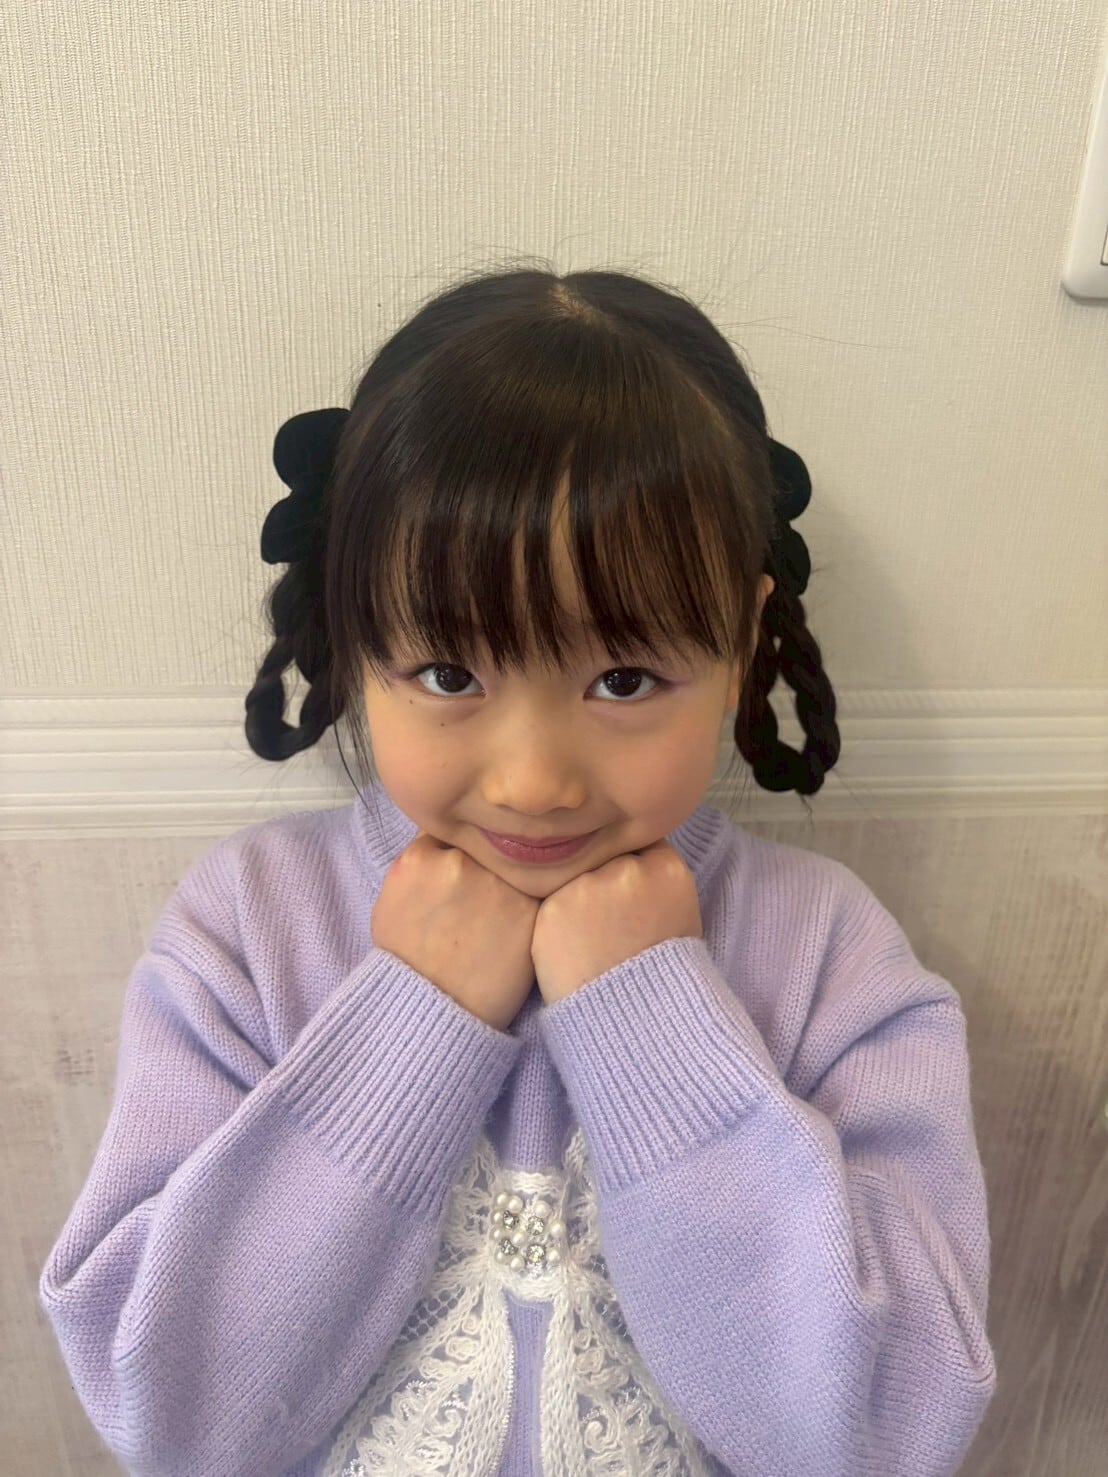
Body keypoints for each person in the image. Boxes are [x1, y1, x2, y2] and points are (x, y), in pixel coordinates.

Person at [39, 267, 997, 1477]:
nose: (533, 781)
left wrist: (650, 1015)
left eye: (624, 679)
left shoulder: (828, 956)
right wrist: (413, 1017)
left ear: (742, 642)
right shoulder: (246, 932)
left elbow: (884, 1438)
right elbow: (171, 1419)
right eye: (449, 674)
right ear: (354, 631)